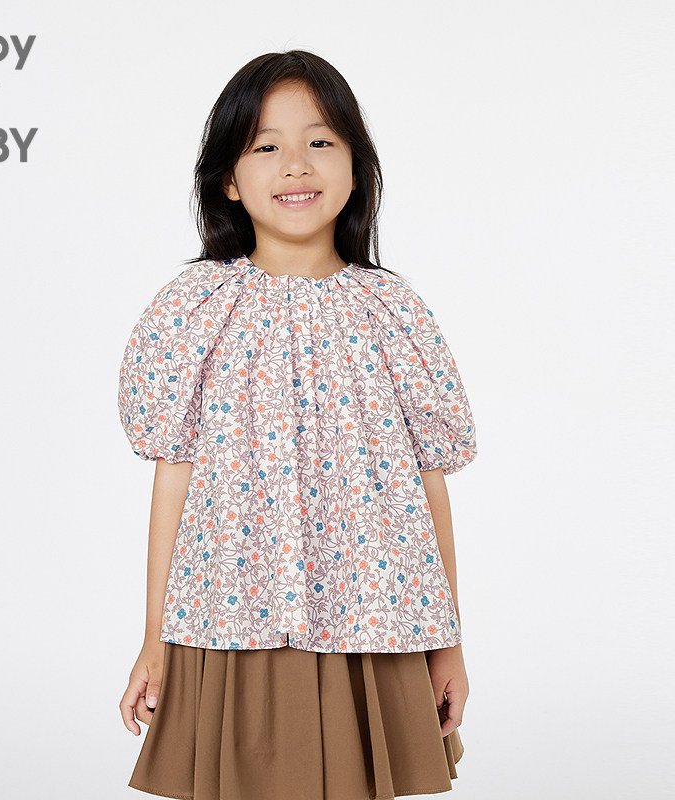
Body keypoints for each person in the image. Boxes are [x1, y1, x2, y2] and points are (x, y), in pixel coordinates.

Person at [117, 49, 478, 800]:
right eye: (265, 147)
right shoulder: (196, 311)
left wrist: (448, 643)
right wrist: (155, 639)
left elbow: (429, 490)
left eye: (319, 141)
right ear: (228, 178)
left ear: (356, 168)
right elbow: (173, 479)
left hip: (376, 621)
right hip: (228, 616)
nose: (295, 166)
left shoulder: (393, 313)